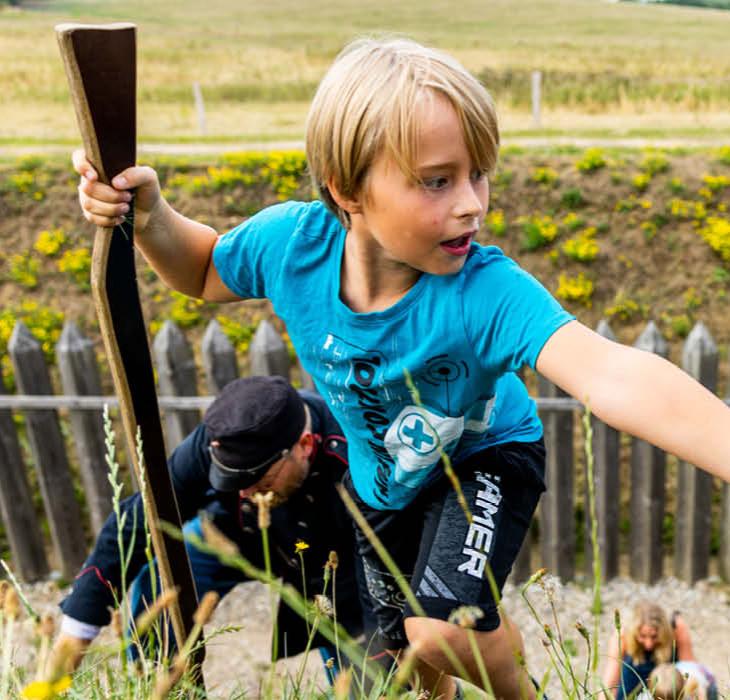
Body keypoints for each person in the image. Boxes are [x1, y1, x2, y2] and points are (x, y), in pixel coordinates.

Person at [72, 37, 730, 700]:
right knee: (399, 664)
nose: (473, 202)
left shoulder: (487, 291)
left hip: (486, 458)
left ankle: (517, 689)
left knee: (441, 629)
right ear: (348, 189)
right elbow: (206, 268)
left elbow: (611, 373)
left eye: (480, 174)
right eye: (438, 180)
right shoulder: (292, 247)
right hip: (382, 486)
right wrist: (151, 216)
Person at [54, 375, 372, 681]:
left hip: (335, 565)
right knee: (161, 583)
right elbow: (136, 524)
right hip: (233, 536)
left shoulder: (356, 453)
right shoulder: (221, 437)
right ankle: (161, 685)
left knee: (363, 674)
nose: (245, 494)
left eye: (259, 482)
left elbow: (385, 568)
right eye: (235, 483)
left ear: (303, 445)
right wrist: (71, 641)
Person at [603, 601, 717, 700]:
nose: (648, 644)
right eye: (642, 636)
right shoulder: (623, 634)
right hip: (634, 676)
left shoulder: (676, 626)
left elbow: (689, 669)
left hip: (669, 680)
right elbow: (611, 679)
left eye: (654, 636)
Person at [641, 661, 718, 700]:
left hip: (706, 678)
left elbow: (701, 693)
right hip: (677, 669)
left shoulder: (692, 685)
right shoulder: (646, 696)